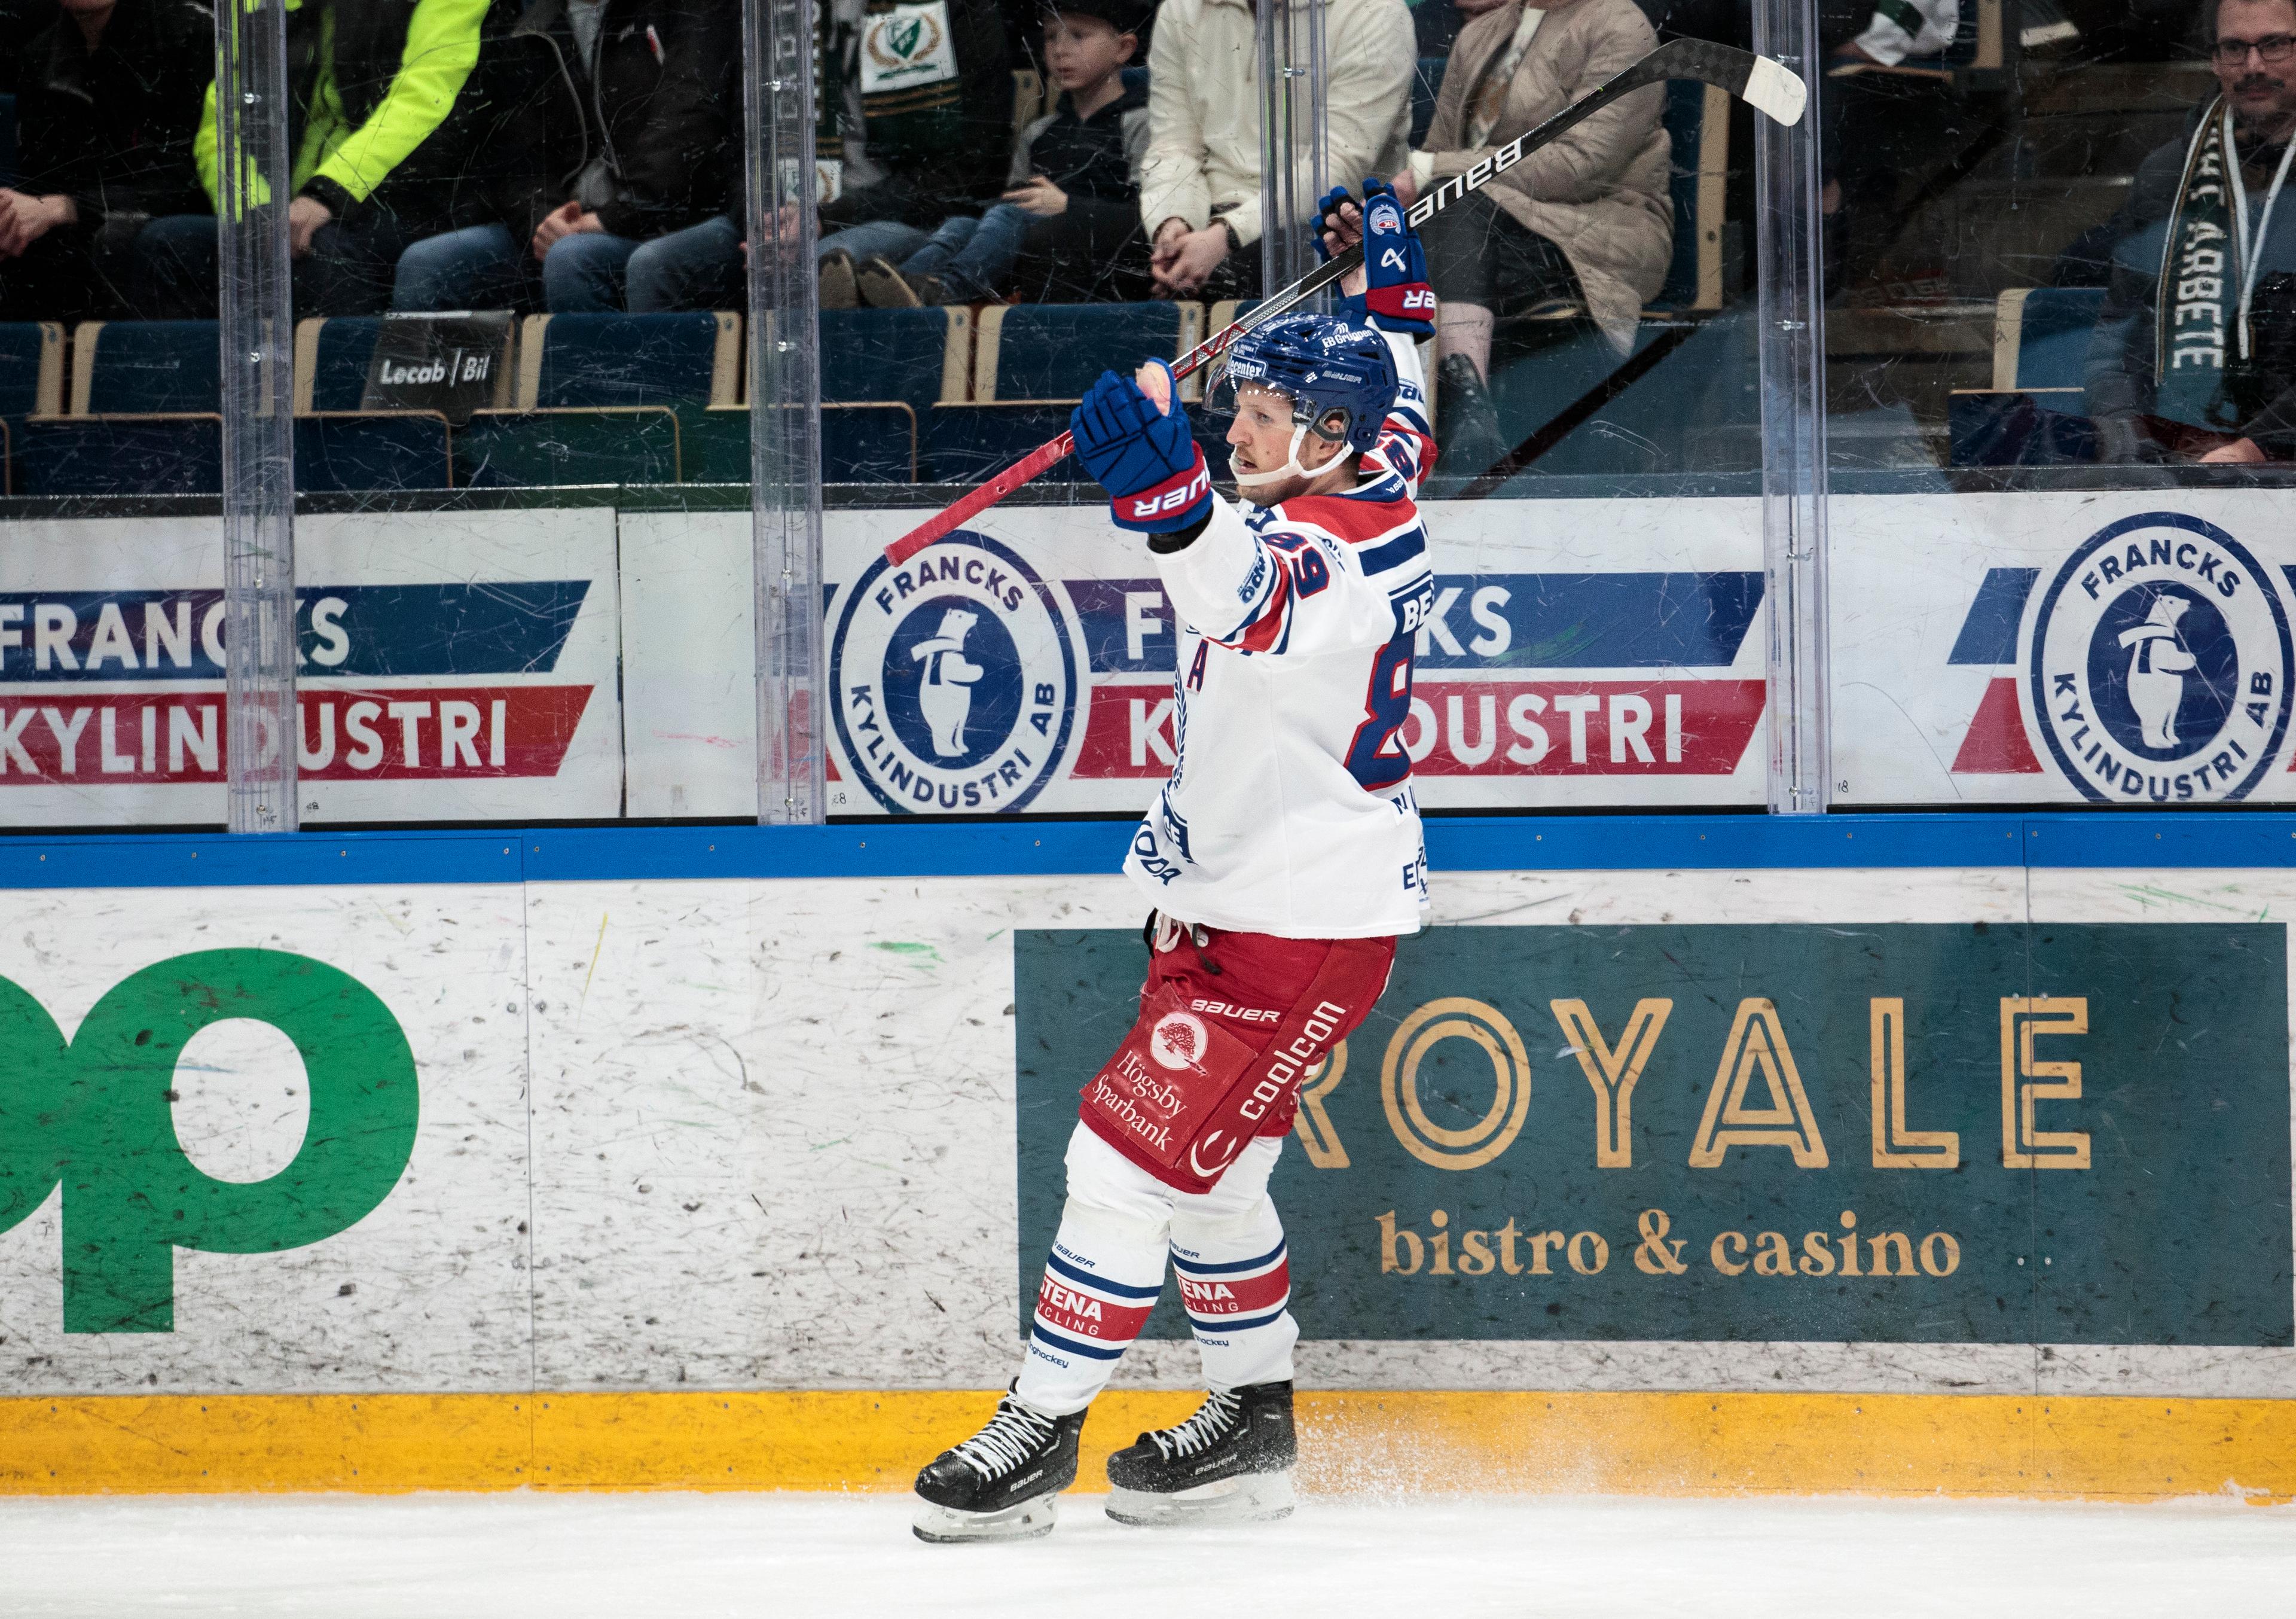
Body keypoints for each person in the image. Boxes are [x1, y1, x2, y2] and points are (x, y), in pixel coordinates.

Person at [908, 179, 1437, 1542]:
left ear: (1326, 437)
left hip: (1291, 927)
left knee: (1121, 1160)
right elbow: (1405, 390)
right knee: (1213, 1175)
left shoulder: (1346, 555)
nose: (1235, 420)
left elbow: (1249, 600)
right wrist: (1390, 292)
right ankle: (1251, 1427)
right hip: (1232, 906)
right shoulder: (1366, 457)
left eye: (1260, 412)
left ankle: (1039, 1425)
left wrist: (1167, 499)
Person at [1403, 0, 1671, 475]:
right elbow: (1437, 153)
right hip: (1483, 224)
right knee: (1425, 216)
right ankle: (1462, 407)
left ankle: (1467, 407)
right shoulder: (1479, 33)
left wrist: (1433, 171)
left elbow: (1580, 165)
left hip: (1598, 224)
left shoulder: (1621, 26)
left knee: (1456, 201)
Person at [136, 0, 516, 321]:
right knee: (166, 246)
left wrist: (327, 195)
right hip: (284, 208)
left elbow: (424, 99)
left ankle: (345, 408)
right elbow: (222, 126)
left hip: (404, 197)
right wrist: (254, 212)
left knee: (321, 253)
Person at [389, 0, 742, 316]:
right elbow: (516, 158)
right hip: (569, 221)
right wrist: (544, 220)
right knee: (428, 265)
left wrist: (618, 216)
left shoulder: (681, 10)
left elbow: (690, 121)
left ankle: (603, 391)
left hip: (665, 216)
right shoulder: (534, 23)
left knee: (574, 260)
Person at [2086, 0, 2296, 465]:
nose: (2254, 65)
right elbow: (2117, 337)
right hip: (2181, 463)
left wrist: (2256, 448)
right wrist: (2128, 437)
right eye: (2235, 48)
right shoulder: (2167, 175)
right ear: (2215, 61)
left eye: (2276, 45)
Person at [853, 0, 1152, 307]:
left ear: (1124, 49)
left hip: (1100, 256)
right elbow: (1011, 202)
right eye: (1051, 37)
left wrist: (1067, 206)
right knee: (961, 225)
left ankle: (948, 287)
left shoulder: (1139, 122)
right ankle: (897, 285)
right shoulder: (1039, 133)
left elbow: (1149, 215)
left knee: (1007, 215)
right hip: (1036, 248)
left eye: (1078, 36)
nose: (1060, 50)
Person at [1139, 0, 1415, 301]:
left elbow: (1338, 166)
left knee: (1229, 273)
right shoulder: (1181, 9)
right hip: (1208, 213)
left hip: (1321, 223)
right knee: (1095, 242)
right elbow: (1173, 146)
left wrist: (1226, 236)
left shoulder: (1376, 12)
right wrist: (1172, 225)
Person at [0, 0, 211, 324]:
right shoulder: (41, 55)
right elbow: (41, 182)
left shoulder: (191, 32)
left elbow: (188, 184)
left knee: (119, 244)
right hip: (88, 223)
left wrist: (66, 207)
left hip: (167, 221)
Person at [813, 0, 1014, 309]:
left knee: (814, 268)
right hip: (800, 215)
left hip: (909, 218)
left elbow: (964, 175)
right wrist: (768, 221)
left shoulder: (961, 9)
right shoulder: (780, 13)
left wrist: (826, 217)